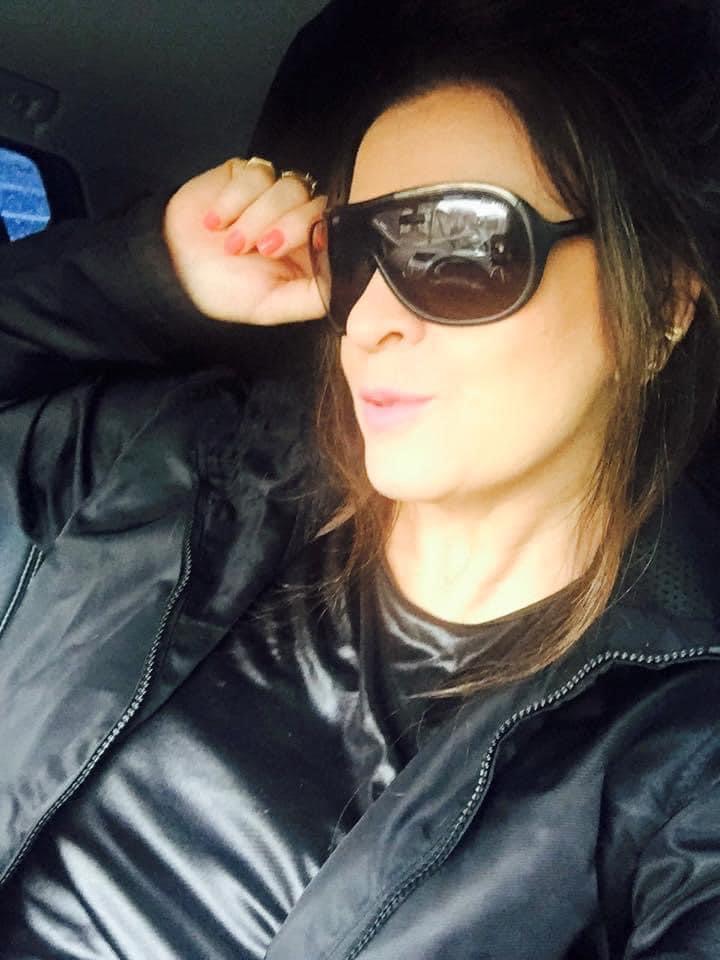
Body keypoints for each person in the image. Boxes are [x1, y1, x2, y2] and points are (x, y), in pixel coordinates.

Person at [1, 0, 720, 957]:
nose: (370, 320)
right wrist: (155, 273)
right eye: (352, 256)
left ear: (660, 305)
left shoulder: (686, 764)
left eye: (455, 250)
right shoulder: (161, 473)